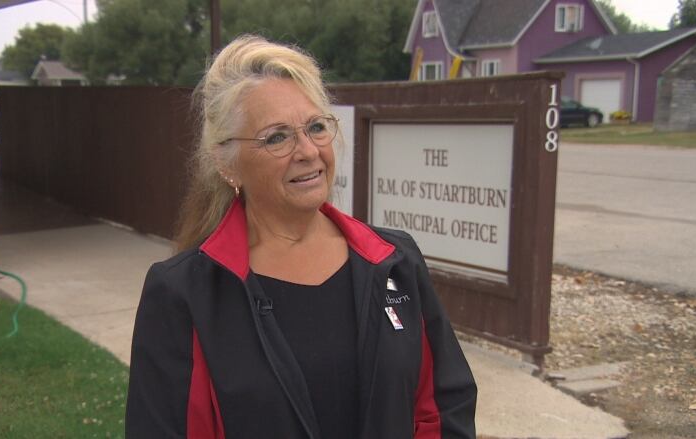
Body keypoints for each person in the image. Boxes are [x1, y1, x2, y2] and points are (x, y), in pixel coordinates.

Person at [125, 34, 477, 439]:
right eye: (277, 137)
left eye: (315, 127)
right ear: (227, 162)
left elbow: (446, 402)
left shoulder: (394, 260)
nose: (308, 151)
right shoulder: (182, 293)